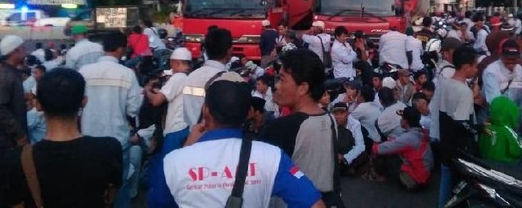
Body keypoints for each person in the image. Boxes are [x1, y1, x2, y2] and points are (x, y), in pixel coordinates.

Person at [152, 78, 325, 208]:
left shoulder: (172, 162)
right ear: (246, 114)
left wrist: (187, 149)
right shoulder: (271, 157)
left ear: (206, 111)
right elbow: (315, 205)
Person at [4, 67, 123, 208]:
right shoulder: (109, 149)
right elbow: (110, 196)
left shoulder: (18, 159)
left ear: (38, 104)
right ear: (84, 101)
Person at [258, 49, 341, 206]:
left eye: (282, 80)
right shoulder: (329, 118)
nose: (276, 86)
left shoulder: (282, 127)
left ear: (303, 88)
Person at [79, 31, 142, 208]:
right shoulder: (127, 74)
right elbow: (134, 108)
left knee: (91, 187)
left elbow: (77, 107)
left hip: (88, 139)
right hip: (118, 141)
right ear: (121, 49)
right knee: (119, 187)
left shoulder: (84, 72)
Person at [0, 34, 29, 207]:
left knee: (1, 185)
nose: (25, 52)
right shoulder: (4, 76)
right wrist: (18, 134)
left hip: (1, 141)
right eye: (23, 48)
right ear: (15, 51)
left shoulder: (7, 73)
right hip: (2, 142)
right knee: (2, 187)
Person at [437, 46, 482, 208]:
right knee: (459, 191)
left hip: (445, 143)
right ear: (466, 67)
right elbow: (462, 124)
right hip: (459, 149)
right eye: (475, 66)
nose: (476, 69)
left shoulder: (446, 84)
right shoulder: (464, 92)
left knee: (446, 182)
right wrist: (480, 128)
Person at [368, 106, 433, 191]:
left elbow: (381, 149)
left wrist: (374, 146)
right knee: (391, 148)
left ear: (405, 121)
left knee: (387, 154)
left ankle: (377, 175)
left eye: (402, 118)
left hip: (415, 180)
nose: (400, 120)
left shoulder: (409, 137)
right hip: (425, 175)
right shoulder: (422, 132)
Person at [144, 47, 192, 155]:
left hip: (175, 129)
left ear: (174, 62)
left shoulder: (178, 77)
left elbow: (156, 101)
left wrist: (147, 90)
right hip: (184, 127)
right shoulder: (188, 77)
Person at [182, 28, 233, 126]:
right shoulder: (227, 79)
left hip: (193, 135)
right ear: (230, 50)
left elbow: (185, 113)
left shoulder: (191, 76)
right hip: (215, 137)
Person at [478, 96, 522, 164]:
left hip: (487, 164)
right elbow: (518, 151)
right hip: (505, 167)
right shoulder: (509, 132)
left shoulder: (486, 127)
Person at [481, 39, 522, 108]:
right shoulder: (491, 71)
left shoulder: (521, 70)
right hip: (498, 115)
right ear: (501, 55)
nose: (511, 62)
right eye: (508, 58)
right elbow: (494, 101)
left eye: (514, 58)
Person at [331, 102, 367, 176]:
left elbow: (360, 145)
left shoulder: (355, 123)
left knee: (363, 154)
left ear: (347, 114)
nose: (339, 116)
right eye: (336, 114)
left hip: (348, 151)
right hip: (335, 153)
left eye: (341, 113)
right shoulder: (330, 124)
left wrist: (344, 157)